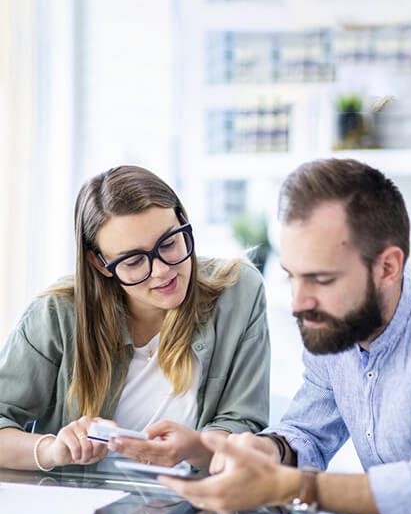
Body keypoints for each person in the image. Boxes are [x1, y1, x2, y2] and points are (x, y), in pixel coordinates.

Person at [163, 157, 411, 514]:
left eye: (321, 280)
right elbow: (308, 432)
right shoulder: (336, 328)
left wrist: (295, 486)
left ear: (388, 268)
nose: (298, 303)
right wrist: (269, 450)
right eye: (292, 277)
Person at [0, 165, 269, 472]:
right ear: (100, 264)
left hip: (192, 510)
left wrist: (195, 449)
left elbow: (244, 423)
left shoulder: (239, 291)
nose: (163, 271)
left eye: (169, 243)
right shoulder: (57, 314)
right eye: (134, 260)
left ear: (184, 222)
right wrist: (52, 450)